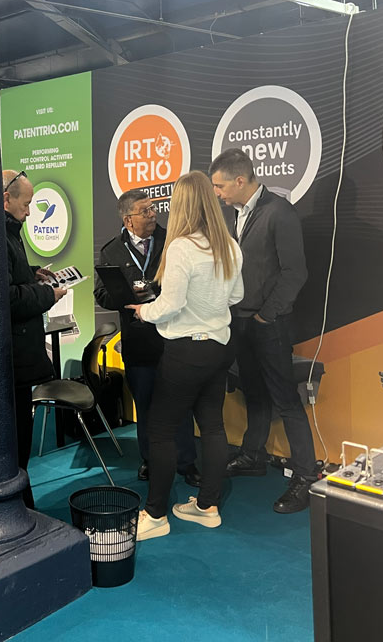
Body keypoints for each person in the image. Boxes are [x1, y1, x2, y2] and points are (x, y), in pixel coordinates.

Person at [126, 171, 244, 541]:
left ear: (181, 205)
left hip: (185, 351)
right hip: (218, 348)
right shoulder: (229, 245)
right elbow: (237, 296)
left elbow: (170, 305)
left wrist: (143, 312)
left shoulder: (180, 247)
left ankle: (155, 515)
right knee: (212, 426)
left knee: (160, 431)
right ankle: (207, 506)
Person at [209, 148, 315, 514]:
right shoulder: (236, 213)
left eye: (221, 187)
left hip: (269, 324)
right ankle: (252, 455)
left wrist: (266, 316)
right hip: (240, 321)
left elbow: (295, 272)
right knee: (253, 392)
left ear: (240, 180)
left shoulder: (279, 212)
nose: (217, 194)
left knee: (285, 399)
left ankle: (305, 476)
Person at [94, 189, 200, 487]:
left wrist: (157, 290)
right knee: (146, 405)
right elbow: (101, 294)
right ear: (128, 220)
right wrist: (128, 295)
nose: (153, 214)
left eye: (153, 208)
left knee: (180, 404)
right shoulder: (112, 251)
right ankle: (150, 460)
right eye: (145, 211)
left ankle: (186, 462)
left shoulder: (174, 241)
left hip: (173, 338)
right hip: (138, 343)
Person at [3, 169, 66, 508]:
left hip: (17, 351)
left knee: (19, 439)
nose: (30, 212)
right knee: (14, 440)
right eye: (26, 204)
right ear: (6, 200)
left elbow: (10, 279)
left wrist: (32, 274)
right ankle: (19, 508)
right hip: (11, 353)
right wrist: (46, 294)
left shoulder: (8, 233)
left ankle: (22, 506)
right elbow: (6, 298)